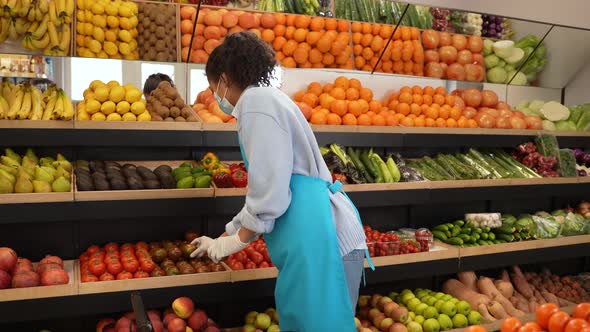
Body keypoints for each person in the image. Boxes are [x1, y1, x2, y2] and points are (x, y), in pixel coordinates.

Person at [191, 32, 373, 331]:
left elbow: (270, 192)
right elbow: (267, 188)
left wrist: (237, 241)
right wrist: (226, 235)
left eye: (213, 89)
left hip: (323, 239)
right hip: (315, 234)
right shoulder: (264, 100)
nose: (215, 97)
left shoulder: (255, 104)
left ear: (223, 79)